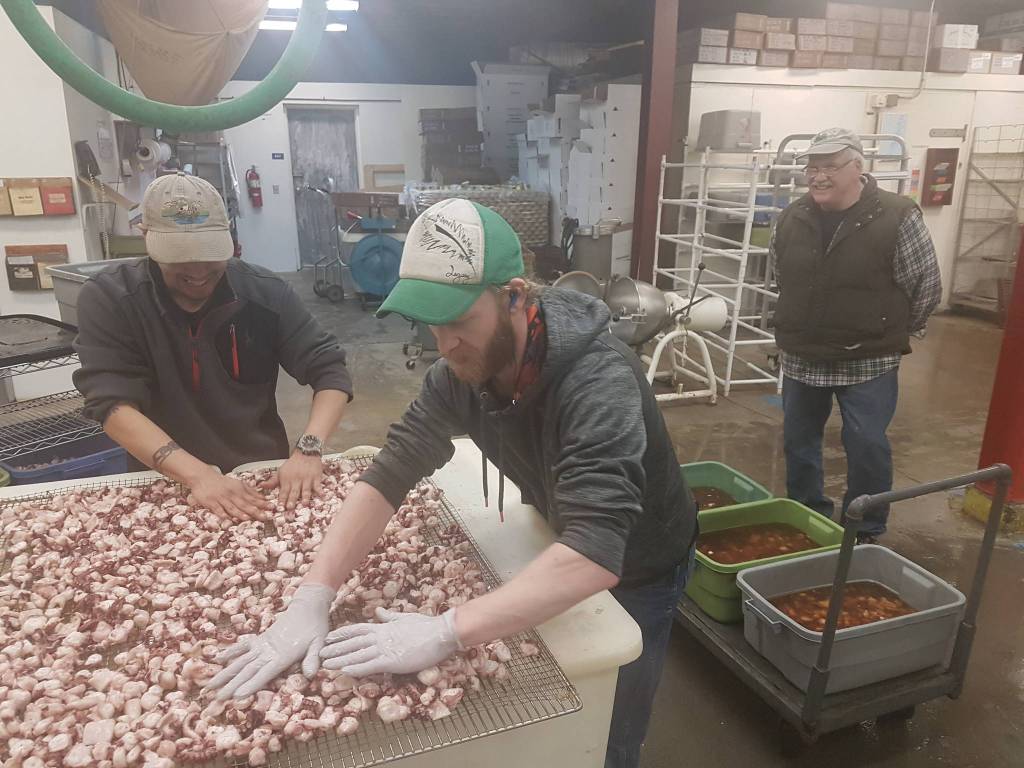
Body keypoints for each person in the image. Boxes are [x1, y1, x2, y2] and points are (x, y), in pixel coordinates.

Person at [207, 198, 698, 768]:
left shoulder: (598, 380)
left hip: (642, 560)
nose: (443, 345)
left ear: (514, 297)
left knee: (611, 717)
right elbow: (390, 470)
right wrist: (314, 593)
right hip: (563, 531)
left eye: (459, 321)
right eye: (430, 322)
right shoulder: (459, 372)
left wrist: (446, 631)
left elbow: (595, 551)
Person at [73, 172, 353, 520]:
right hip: (164, 480)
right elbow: (112, 404)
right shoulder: (111, 299)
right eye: (179, 255)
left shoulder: (265, 293)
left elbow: (330, 371)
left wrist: (309, 449)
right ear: (146, 236)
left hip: (259, 476)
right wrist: (198, 476)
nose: (198, 270)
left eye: (209, 252)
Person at [771, 127, 941, 542]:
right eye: (813, 168)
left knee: (867, 445)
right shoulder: (792, 217)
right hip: (804, 354)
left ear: (858, 167)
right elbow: (782, 277)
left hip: (868, 358)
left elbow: (925, 286)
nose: (818, 176)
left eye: (830, 166)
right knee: (798, 442)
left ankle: (864, 527)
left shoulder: (898, 216)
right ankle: (806, 515)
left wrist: (887, 331)